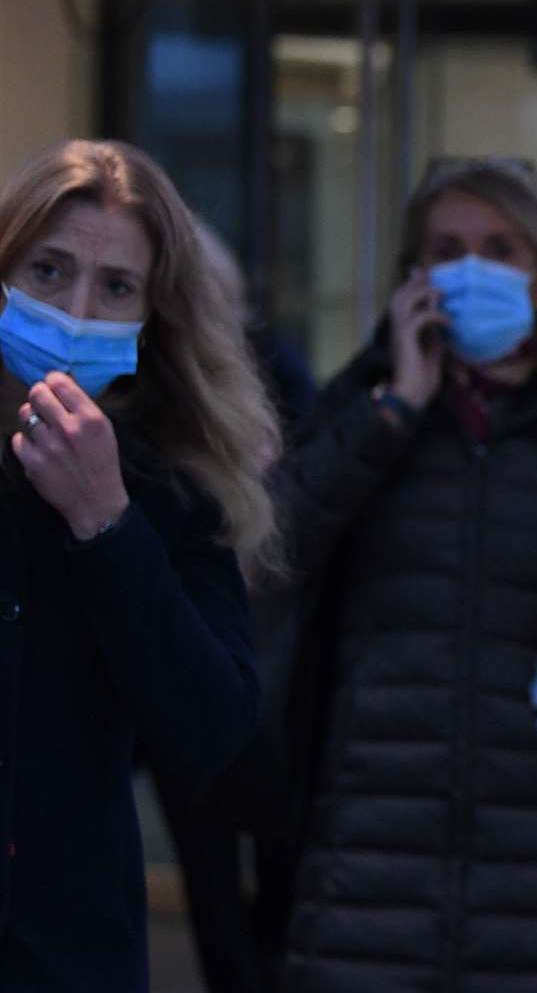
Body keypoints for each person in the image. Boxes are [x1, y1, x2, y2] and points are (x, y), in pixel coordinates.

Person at [276, 158, 537, 991]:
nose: (473, 267)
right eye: (447, 249)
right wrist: (397, 407)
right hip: (373, 860)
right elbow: (275, 547)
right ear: (415, 279)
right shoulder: (366, 406)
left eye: (501, 247)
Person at [0, 139, 278, 991]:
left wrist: (107, 523)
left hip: (62, 945)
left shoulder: (171, 483)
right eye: (48, 270)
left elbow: (213, 734)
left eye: (115, 288)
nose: (76, 310)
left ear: (152, 319)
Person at [142, 221, 316, 993]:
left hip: (277, 666)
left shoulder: (281, 372)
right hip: (192, 653)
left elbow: (316, 499)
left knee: (284, 861)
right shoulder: (151, 387)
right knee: (208, 871)